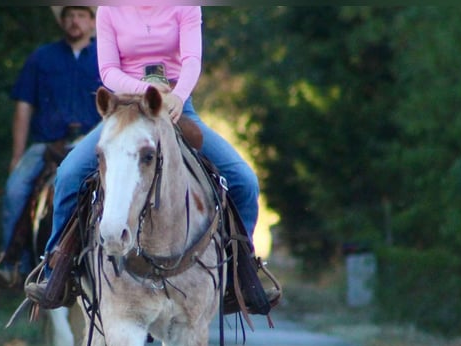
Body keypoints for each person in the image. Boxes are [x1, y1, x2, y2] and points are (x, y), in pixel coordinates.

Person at [25, 6, 279, 312]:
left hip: (175, 105)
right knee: (69, 174)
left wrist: (177, 95)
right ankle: (58, 270)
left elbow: (191, 60)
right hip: (125, 108)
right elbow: (107, 71)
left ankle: (240, 272)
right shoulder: (108, 10)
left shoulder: (186, 7)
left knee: (243, 180)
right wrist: (144, 90)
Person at [0, 6, 102, 289]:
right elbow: (23, 106)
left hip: (94, 144)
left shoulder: (107, 57)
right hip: (48, 144)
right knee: (15, 190)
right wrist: (17, 154)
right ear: (62, 21)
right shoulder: (41, 57)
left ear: (92, 21)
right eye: (69, 15)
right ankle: (13, 261)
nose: (75, 21)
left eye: (81, 15)